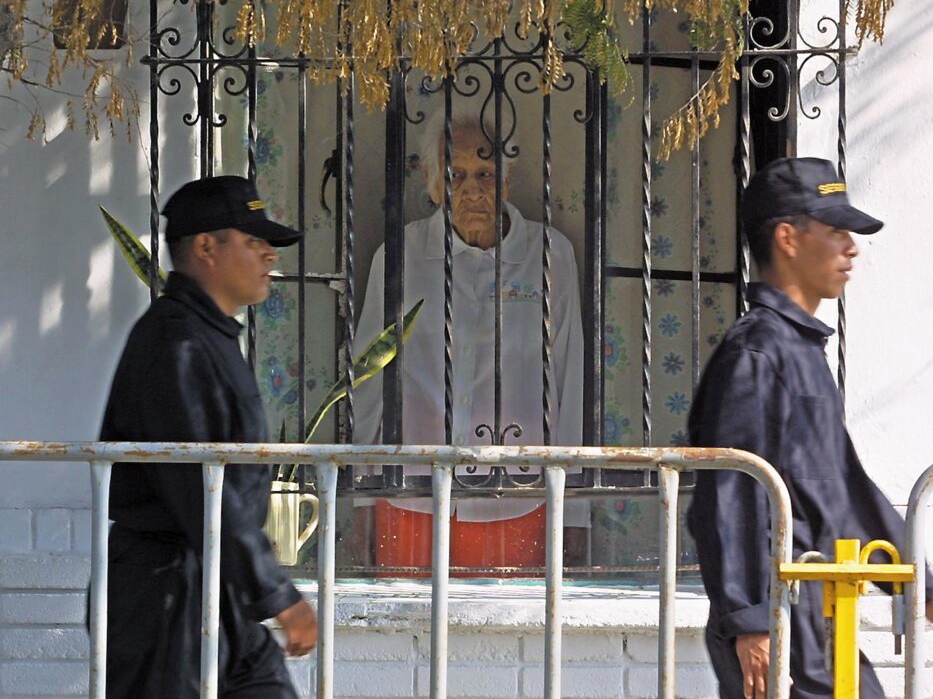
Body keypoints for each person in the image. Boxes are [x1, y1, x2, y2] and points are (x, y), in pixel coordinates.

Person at [686, 157, 933, 699]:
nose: (852, 248)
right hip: (780, 613)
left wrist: (926, 592)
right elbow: (729, 494)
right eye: (837, 231)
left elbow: (845, 488)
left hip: (816, 608)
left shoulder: (799, 350)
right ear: (788, 238)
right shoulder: (756, 353)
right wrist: (751, 619)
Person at [99, 175, 317, 698]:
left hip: (219, 594)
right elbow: (201, 488)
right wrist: (276, 594)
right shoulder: (177, 345)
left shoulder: (207, 337)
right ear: (205, 248)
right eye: (252, 241)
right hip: (166, 599)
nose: (269, 255)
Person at [351, 106, 586, 573]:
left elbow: (569, 379)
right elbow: (368, 386)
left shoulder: (549, 255)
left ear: (507, 178)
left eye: (485, 172)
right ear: (435, 184)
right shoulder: (399, 256)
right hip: (410, 496)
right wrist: (361, 502)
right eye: (456, 174)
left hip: (518, 496)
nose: (472, 189)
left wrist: (575, 511)